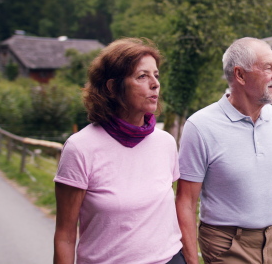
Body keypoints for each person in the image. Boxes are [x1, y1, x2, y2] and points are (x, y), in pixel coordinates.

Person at [176, 37, 272, 264]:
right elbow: (186, 202)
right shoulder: (200, 126)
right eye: (268, 68)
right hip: (226, 244)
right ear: (240, 75)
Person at [53, 38, 185, 264]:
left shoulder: (165, 143)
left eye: (156, 75)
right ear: (112, 87)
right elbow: (65, 236)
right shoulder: (80, 147)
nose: (155, 84)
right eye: (142, 76)